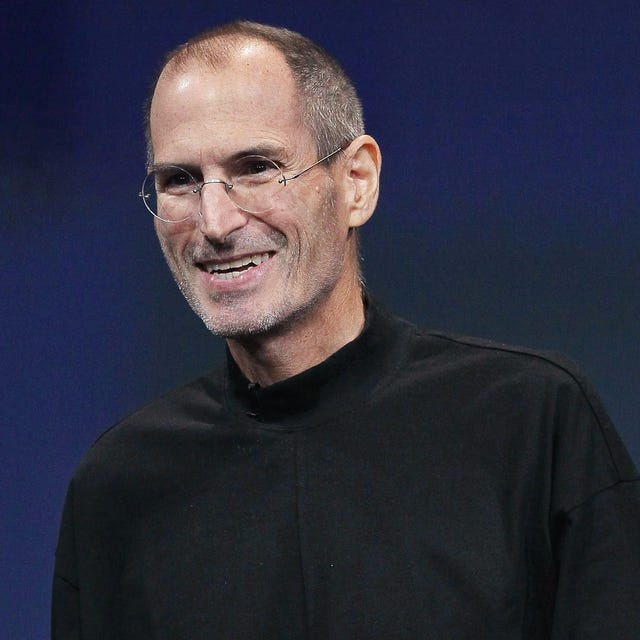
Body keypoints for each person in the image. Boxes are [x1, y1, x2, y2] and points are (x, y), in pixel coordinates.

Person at [52, 21, 640, 639]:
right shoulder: (119, 486)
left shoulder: (532, 423)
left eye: (256, 168)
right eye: (179, 180)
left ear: (356, 182)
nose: (216, 221)